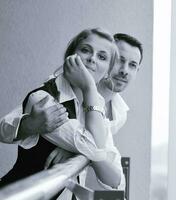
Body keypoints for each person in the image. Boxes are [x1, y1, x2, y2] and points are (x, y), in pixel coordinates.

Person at [0, 29, 143, 200]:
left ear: (107, 70)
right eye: (85, 50)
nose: (92, 59)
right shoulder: (45, 97)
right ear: (70, 55)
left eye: (102, 57)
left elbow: (116, 180)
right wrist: (89, 87)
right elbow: (97, 149)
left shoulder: (100, 109)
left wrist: (80, 153)